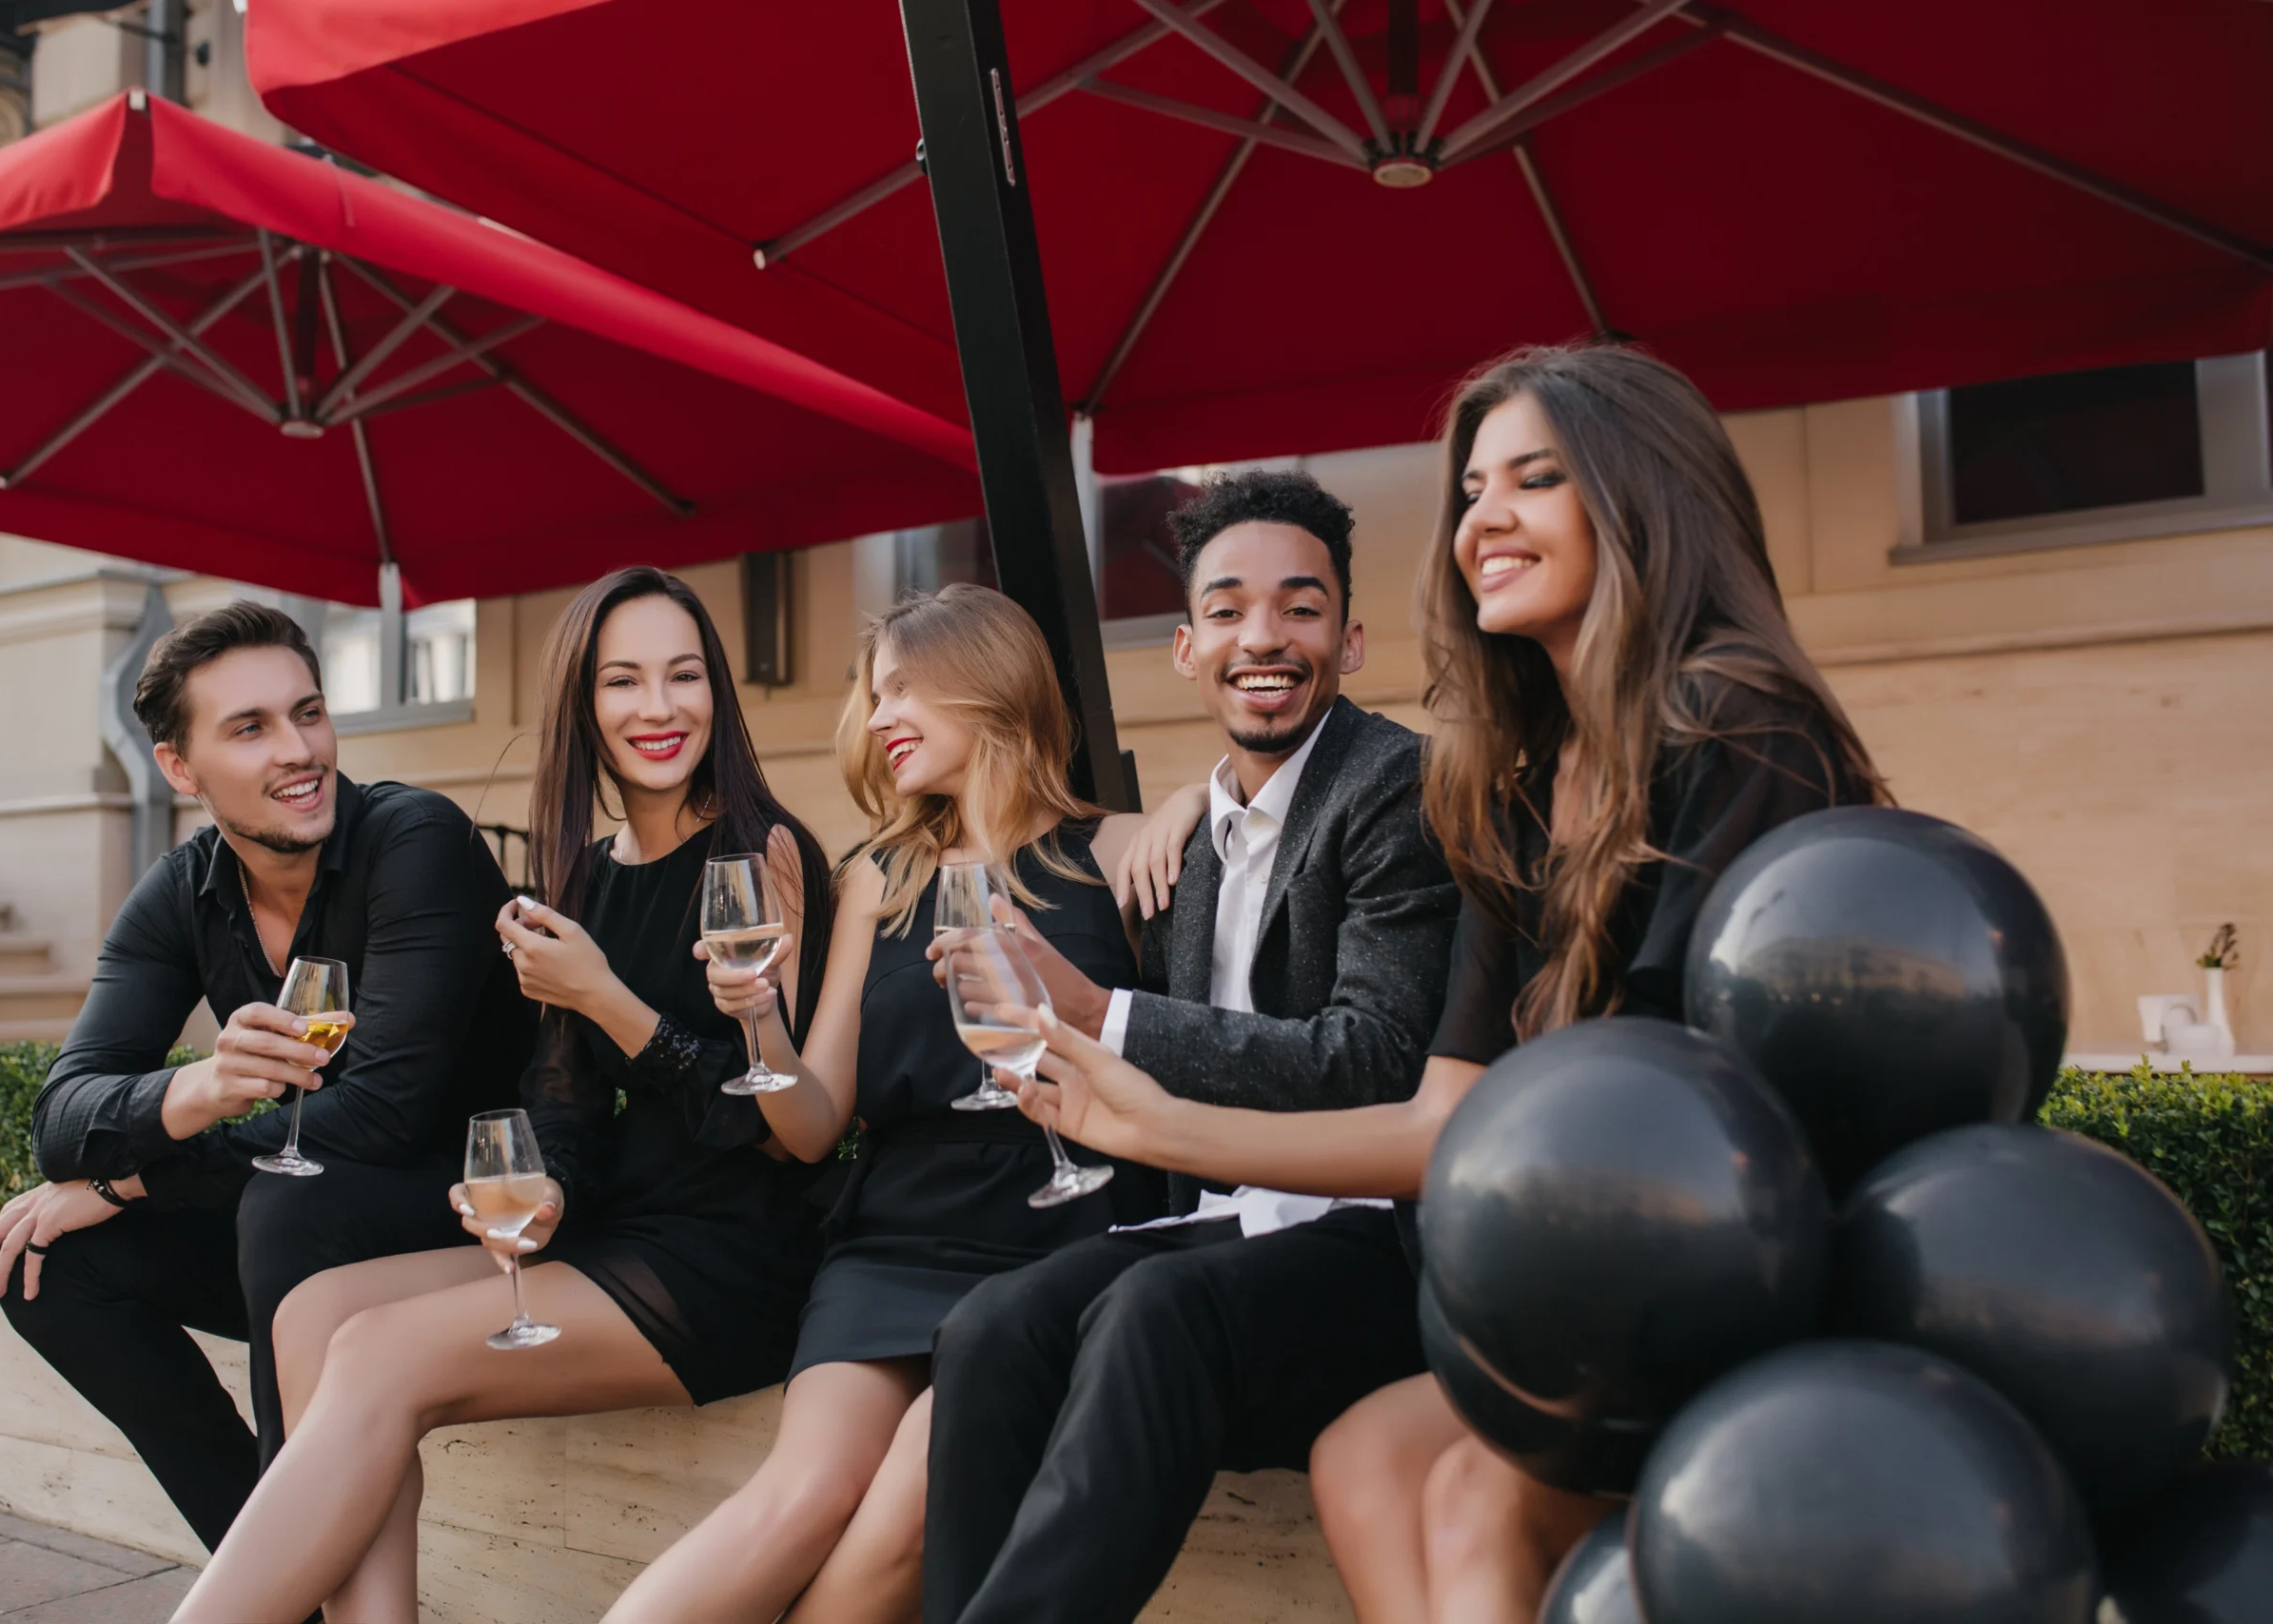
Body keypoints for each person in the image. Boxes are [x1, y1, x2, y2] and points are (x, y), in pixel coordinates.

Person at [984, 344, 1888, 1624]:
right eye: (1472, 488)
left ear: (1642, 497)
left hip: (1729, 1259)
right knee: (1365, 1457)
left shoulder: (1736, 729)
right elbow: (1444, 1113)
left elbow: (1700, 1099)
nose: (1484, 520)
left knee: (1465, 1492)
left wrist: (1139, 1094)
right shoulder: (1510, 786)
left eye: (1535, 478)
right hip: (1555, 1260)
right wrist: (1140, 1115)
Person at [168, 568, 835, 1622]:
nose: (659, 708)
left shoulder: (768, 858)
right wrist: (547, 1193)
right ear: (584, 703)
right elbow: (563, 1102)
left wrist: (609, 997)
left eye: (684, 675)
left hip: (728, 1257)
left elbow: (774, 1124)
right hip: (611, 1231)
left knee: (381, 1357)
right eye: (624, 682)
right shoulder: (580, 874)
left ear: (718, 691)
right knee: (317, 1311)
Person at [913, 470, 1461, 1624]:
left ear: (1349, 641)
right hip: (1230, 1223)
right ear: (1184, 646)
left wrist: (1100, 1016)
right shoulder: (1194, 838)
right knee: (989, 1329)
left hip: (1371, 1240)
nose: (1262, 638)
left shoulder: (1395, 787)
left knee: (1150, 1312)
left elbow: (1373, 1058)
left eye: (1299, 608)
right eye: (1226, 610)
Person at [590, 583, 1160, 1624]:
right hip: (893, 1242)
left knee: (901, 1521)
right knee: (802, 1498)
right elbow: (812, 1125)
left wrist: (1194, 804)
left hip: (1054, 1241)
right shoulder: (879, 880)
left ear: (985, 686)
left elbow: (1185, 1054)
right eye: (873, 696)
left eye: (901, 691)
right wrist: (759, 1019)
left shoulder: (1122, 854)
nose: (879, 719)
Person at [0, 600, 535, 1553]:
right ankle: (276, 1573)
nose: (299, 750)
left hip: (475, 1216)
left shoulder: (416, 841)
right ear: (180, 768)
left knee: (287, 1208)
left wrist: (136, 1177)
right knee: (45, 1267)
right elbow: (61, 1120)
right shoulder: (183, 892)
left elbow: (384, 1119)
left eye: (306, 713)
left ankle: (279, 1571)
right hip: (306, 1236)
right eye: (250, 728)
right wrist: (193, 1091)